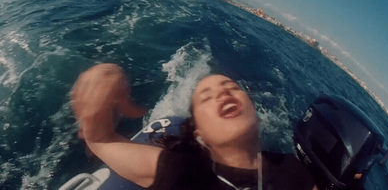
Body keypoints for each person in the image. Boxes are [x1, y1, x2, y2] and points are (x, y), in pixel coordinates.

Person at [71, 63, 317, 190]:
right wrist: (106, 77)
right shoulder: (182, 171)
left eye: (232, 87)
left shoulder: (292, 169)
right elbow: (101, 140)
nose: (223, 94)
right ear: (200, 132)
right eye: (206, 97)